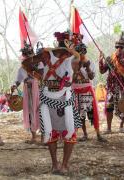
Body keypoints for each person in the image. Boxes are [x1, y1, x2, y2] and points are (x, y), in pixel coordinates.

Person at [22, 31, 82, 174]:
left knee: (51, 132)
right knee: (69, 132)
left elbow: (25, 63)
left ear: (57, 43)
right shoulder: (74, 56)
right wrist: (39, 74)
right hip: (63, 98)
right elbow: (77, 66)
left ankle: (55, 165)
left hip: (50, 97)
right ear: (69, 43)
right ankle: (64, 165)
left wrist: (38, 75)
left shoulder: (46, 55)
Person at [72, 42, 106, 142]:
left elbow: (91, 77)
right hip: (76, 91)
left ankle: (98, 134)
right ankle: (85, 134)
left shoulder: (89, 62)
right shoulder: (72, 64)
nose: (81, 54)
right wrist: (77, 68)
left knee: (92, 112)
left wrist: (87, 67)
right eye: (79, 52)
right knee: (80, 114)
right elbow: (71, 78)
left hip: (87, 90)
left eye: (83, 51)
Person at [11, 42, 43, 144]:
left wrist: (34, 69)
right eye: (26, 55)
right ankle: (34, 137)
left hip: (38, 89)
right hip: (27, 90)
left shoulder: (40, 64)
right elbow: (18, 80)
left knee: (40, 111)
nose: (28, 56)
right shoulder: (22, 68)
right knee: (30, 112)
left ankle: (43, 137)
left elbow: (42, 76)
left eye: (30, 54)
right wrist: (14, 85)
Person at [99, 32, 124, 133]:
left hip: (122, 87)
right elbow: (102, 70)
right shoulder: (111, 58)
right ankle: (109, 128)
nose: (119, 48)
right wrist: (101, 60)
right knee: (109, 107)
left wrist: (119, 58)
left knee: (123, 106)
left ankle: (121, 126)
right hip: (111, 87)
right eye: (117, 46)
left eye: (121, 47)